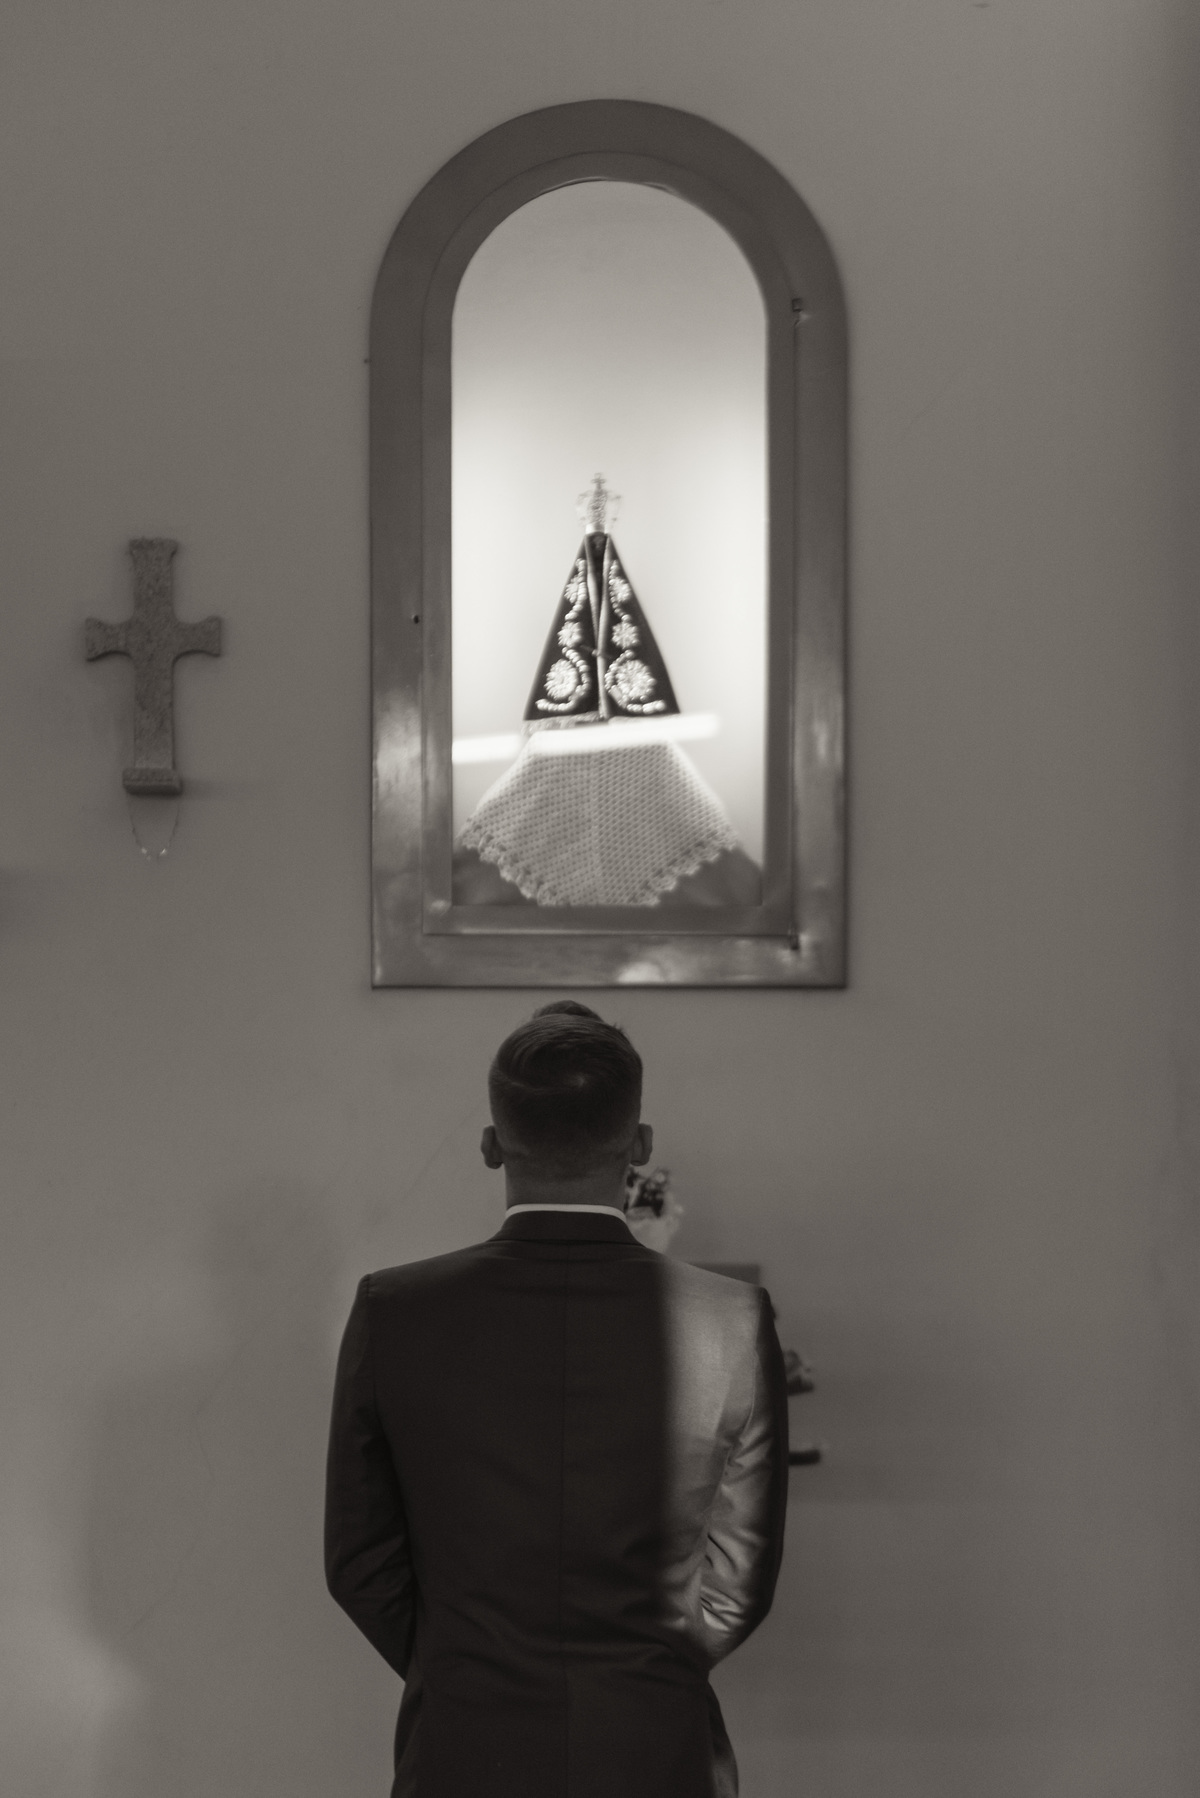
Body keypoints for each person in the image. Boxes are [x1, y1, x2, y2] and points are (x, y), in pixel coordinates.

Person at [325, 1000, 788, 1798]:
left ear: (491, 1145)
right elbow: (740, 1578)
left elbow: (361, 1562)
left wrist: (466, 1668)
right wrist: (644, 1674)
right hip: (656, 1750)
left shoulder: (395, 1310)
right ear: (640, 1145)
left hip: (462, 1746)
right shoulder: (731, 1320)